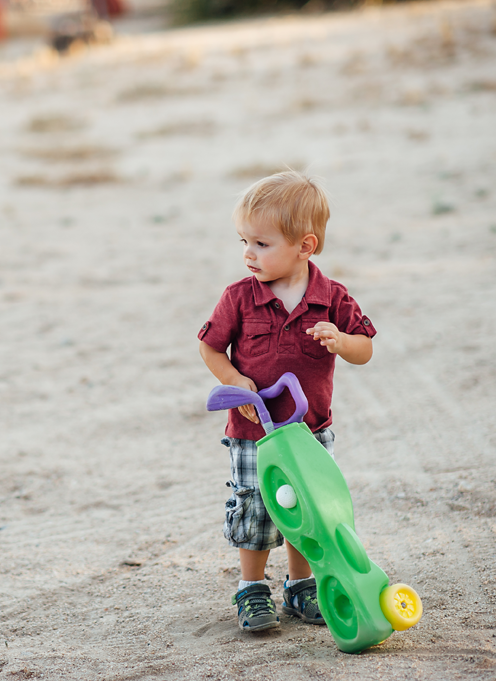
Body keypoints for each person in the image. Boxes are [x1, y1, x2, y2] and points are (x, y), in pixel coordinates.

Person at [197, 171, 377, 632]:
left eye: (261, 244)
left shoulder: (331, 298)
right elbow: (210, 347)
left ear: (305, 245)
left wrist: (340, 340)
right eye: (243, 241)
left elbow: (364, 348)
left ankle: (300, 587)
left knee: (308, 508)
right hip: (253, 433)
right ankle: (252, 589)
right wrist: (235, 378)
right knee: (256, 509)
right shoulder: (238, 298)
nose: (247, 254)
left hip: (310, 430)